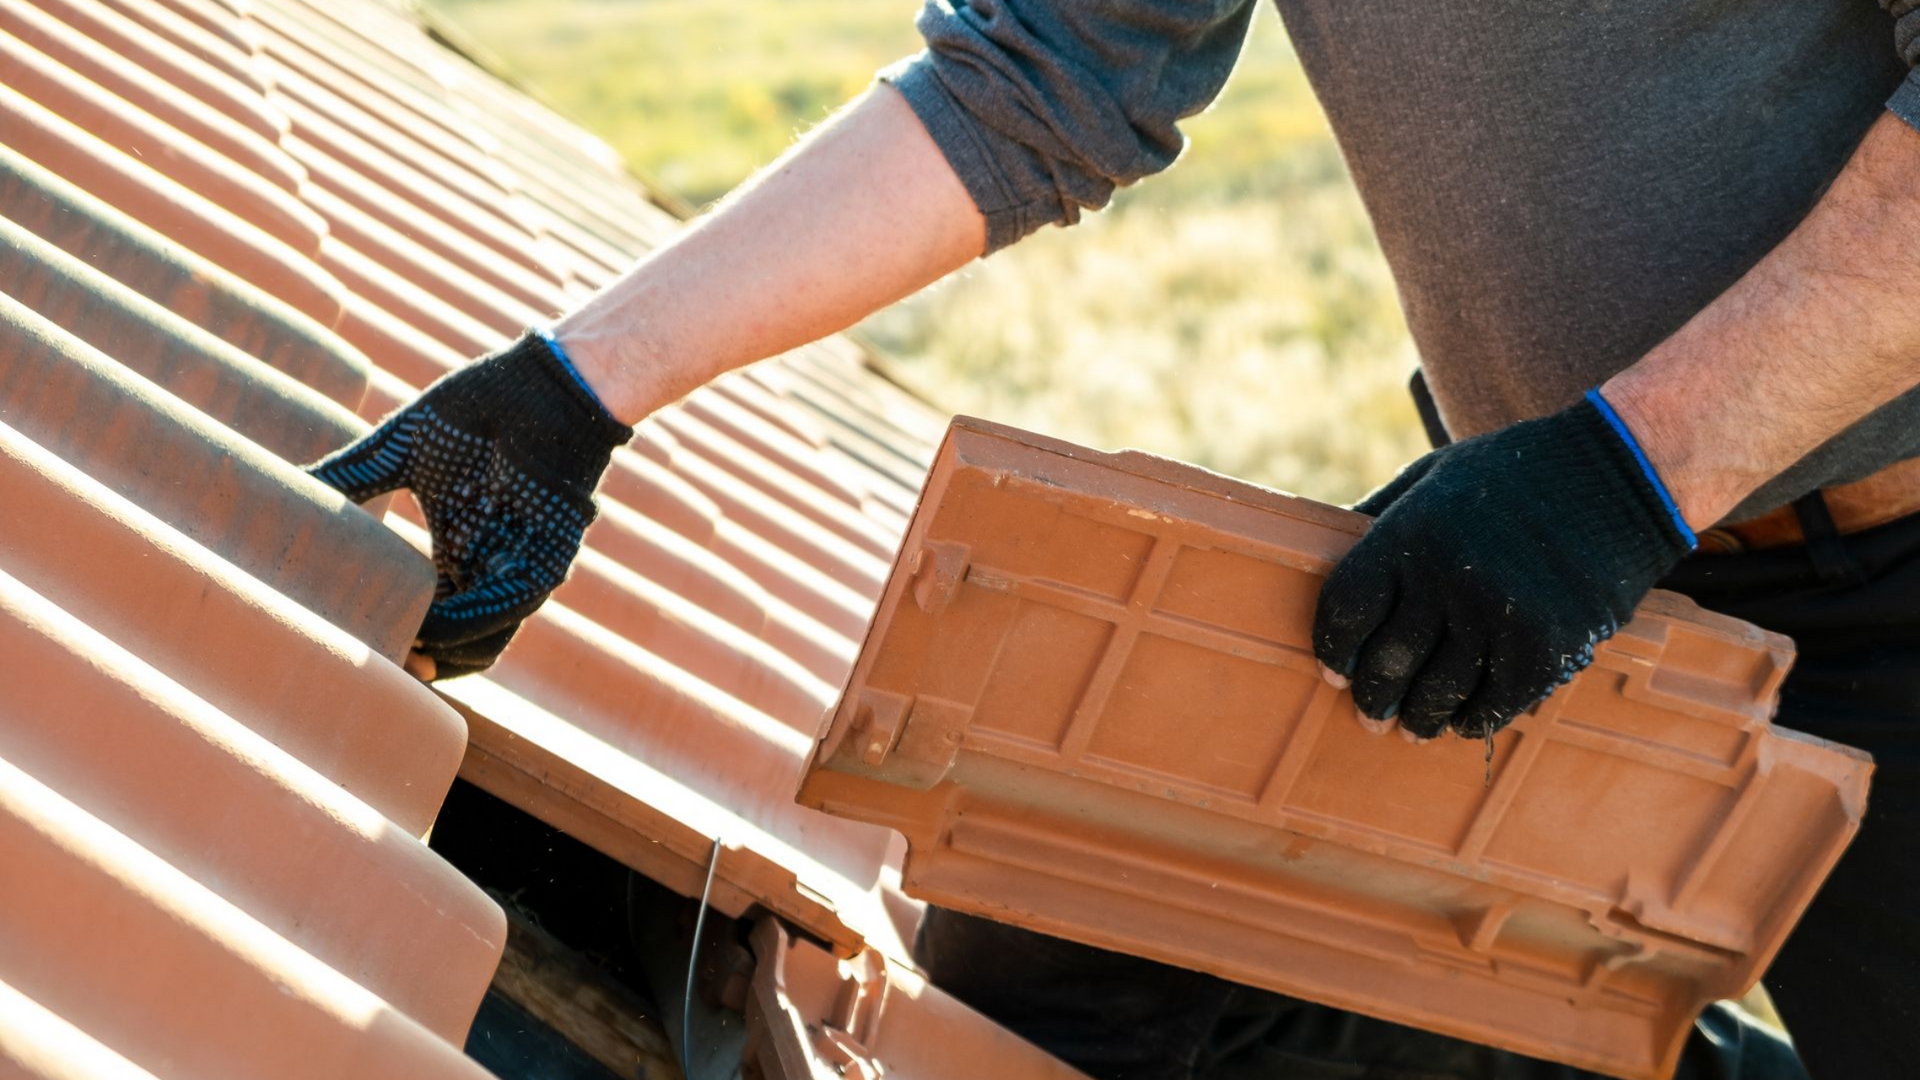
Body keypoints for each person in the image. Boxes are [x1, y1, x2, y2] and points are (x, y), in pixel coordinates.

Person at [308, 0, 1920, 1075]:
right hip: (1559, 540)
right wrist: (571, 393)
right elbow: (1041, 74)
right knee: (1084, 944)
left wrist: (1630, 472)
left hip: (1799, 536)